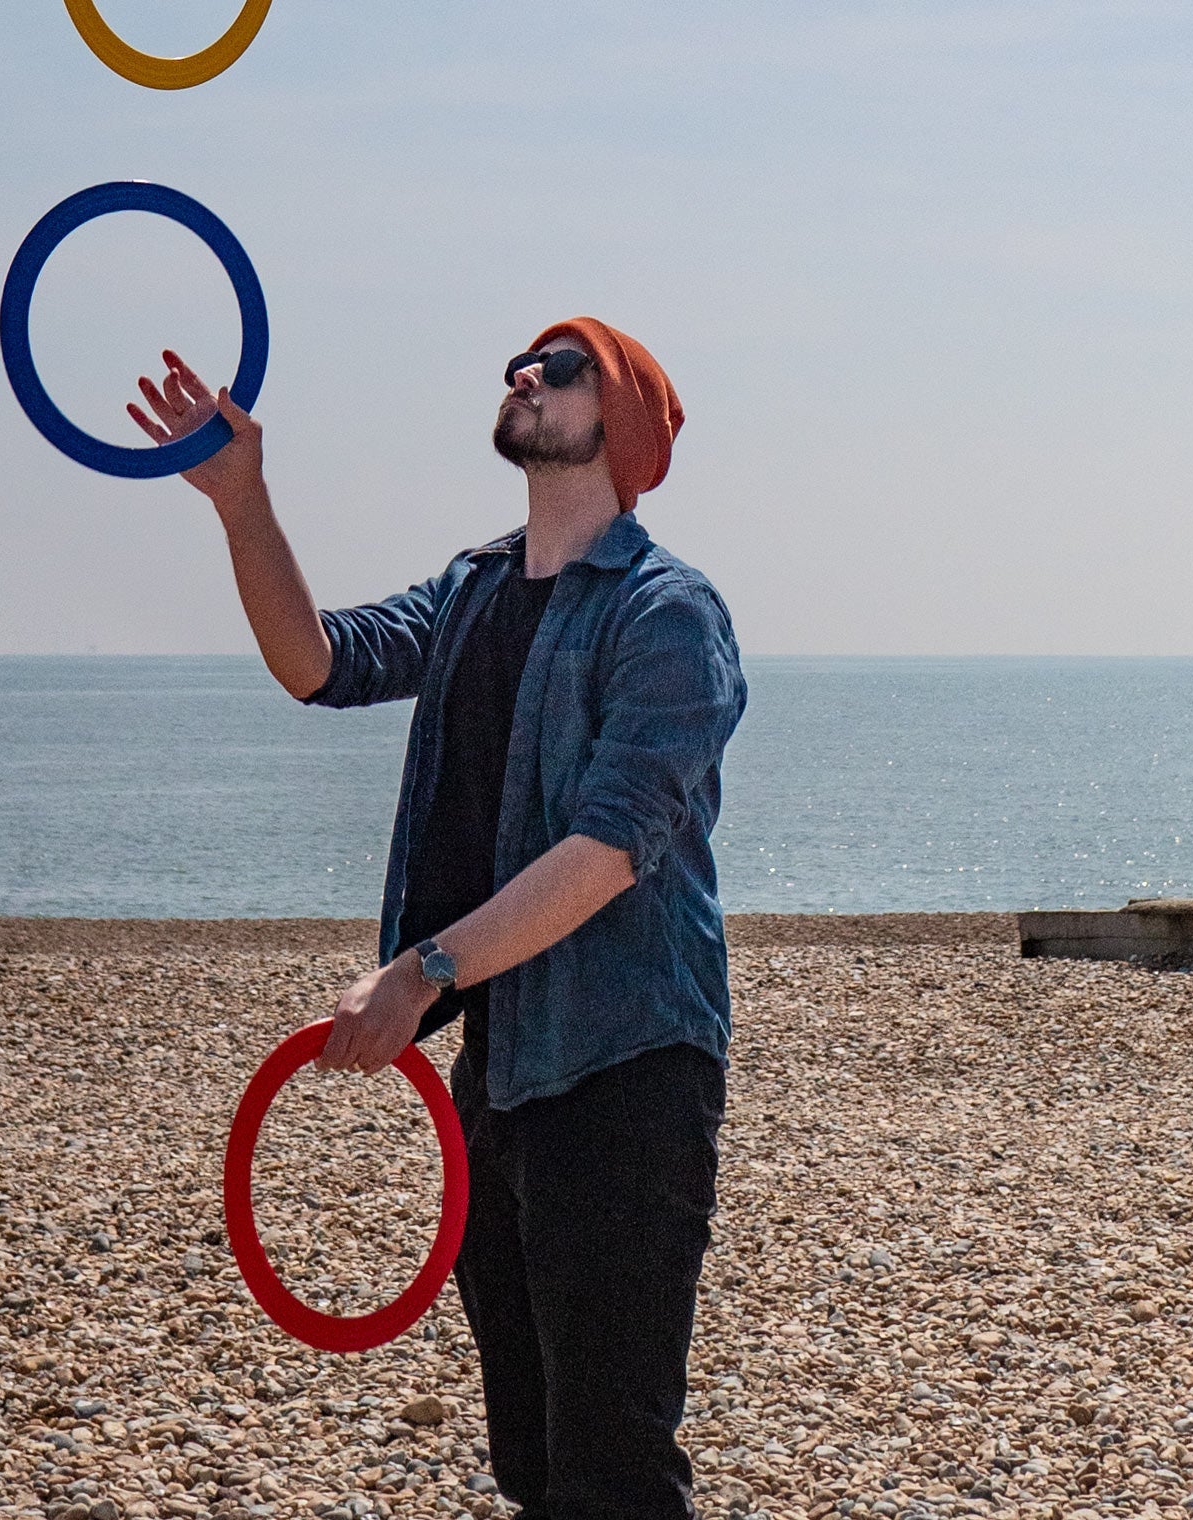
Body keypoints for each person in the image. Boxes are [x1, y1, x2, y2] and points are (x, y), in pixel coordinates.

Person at [128, 318, 746, 1520]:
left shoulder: (666, 612)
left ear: (618, 422)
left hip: (629, 1068)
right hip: (500, 1068)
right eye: (520, 359)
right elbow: (316, 661)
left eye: (558, 366)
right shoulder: (469, 587)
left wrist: (419, 972)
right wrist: (238, 502)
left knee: (612, 1471)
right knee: (529, 1462)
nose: (522, 372)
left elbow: (610, 848)